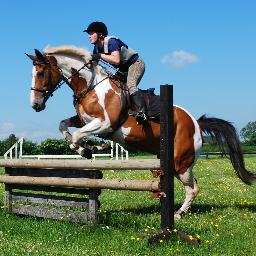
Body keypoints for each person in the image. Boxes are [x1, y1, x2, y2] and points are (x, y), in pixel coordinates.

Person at [83, 21, 147, 124]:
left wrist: (99, 56)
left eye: (91, 33)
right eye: (88, 34)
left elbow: (116, 60)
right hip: (124, 69)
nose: (89, 36)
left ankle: (142, 113)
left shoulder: (111, 42)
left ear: (100, 34)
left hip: (136, 64)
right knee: (112, 85)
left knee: (130, 85)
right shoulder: (96, 48)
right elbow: (93, 65)